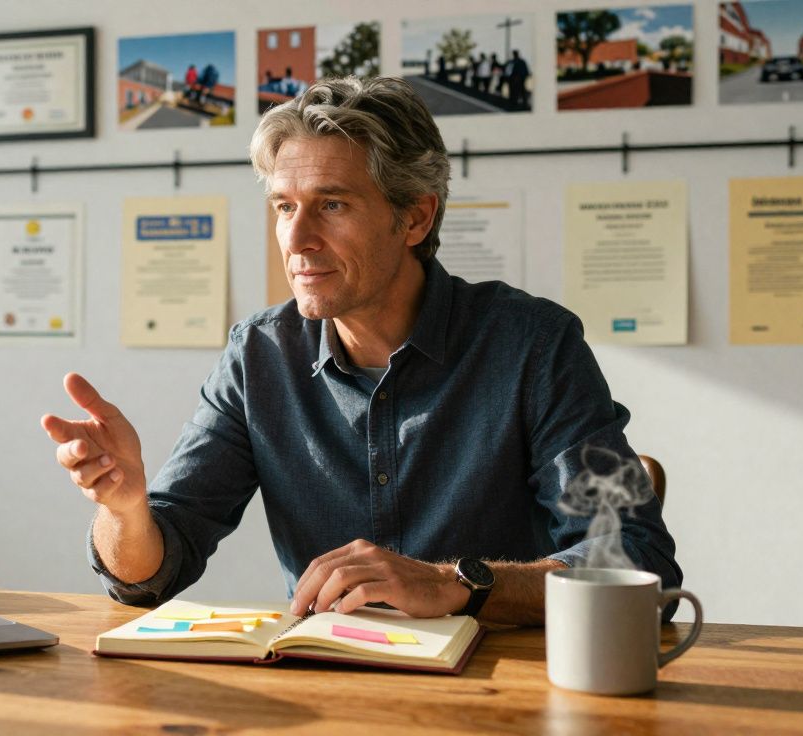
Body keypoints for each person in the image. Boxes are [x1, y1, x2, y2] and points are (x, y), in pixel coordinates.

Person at [41, 77, 680, 625]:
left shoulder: (533, 345)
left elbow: (638, 563)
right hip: (330, 689)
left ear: (415, 219)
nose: (296, 238)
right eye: (284, 206)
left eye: (333, 205)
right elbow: (150, 575)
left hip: (499, 692)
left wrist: (455, 585)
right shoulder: (258, 356)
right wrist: (125, 511)